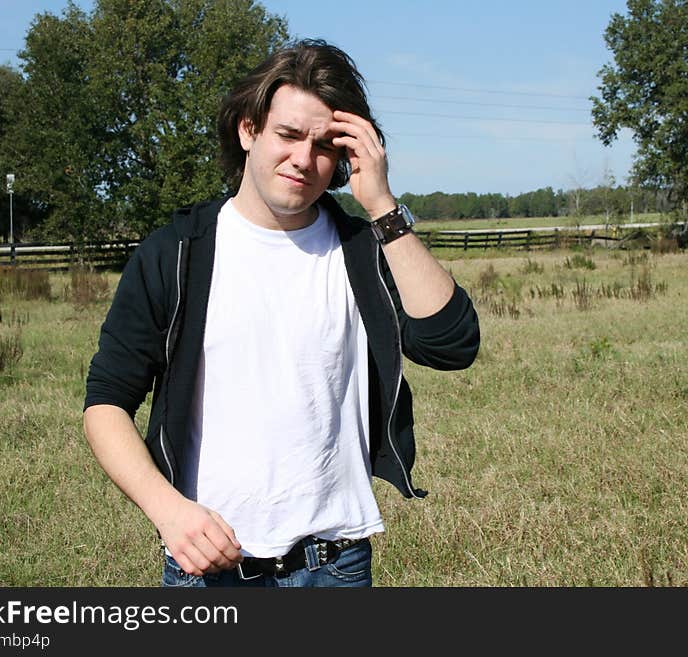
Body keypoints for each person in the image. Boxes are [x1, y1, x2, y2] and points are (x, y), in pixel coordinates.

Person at [83, 39, 480, 588]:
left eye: (324, 146)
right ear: (248, 130)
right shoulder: (177, 253)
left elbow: (451, 344)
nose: (303, 159)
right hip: (209, 569)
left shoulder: (362, 251)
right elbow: (105, 403)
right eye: (288, 135)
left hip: (335, 567)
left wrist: (383, 208)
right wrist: (168, 511)